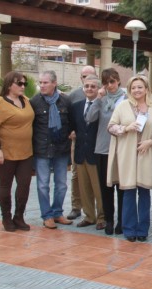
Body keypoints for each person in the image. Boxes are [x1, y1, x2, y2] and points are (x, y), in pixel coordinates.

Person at [107, 75, 152, 242]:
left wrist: (151, 141)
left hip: (146, 153)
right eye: (133, 88)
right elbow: (111, 127)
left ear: (146, 89)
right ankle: (129, 229)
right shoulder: (123, 106)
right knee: (129, 192)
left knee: (144, 192)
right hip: (127, 154)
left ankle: (143, 229)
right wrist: (126, 128)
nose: (137, 90)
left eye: (140, 87)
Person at [0, 71, 34, 232]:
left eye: (24, 84)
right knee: (5, 185)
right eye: (19, 83)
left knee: (24, 184)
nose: (23, 86)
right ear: (9, 85)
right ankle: (6, 217)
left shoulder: (26, 101)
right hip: (5, 152)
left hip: (25, 152)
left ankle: (19, 216)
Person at [30, 70, 74, 229]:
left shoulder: (65, 101)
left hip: (61, 149)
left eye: (45, 82)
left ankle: (57, 212)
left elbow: (71, 123)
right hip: (42, 149)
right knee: (43, 184)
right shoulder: (34, 102)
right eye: (40, 82)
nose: (42, 85)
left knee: (61, 183)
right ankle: (46, 215)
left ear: (54, 83)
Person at [85, 68, 125, 235]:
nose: (110, 85)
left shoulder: (127, 98)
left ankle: (122, 220)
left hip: (122, 149)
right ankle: (109, 219)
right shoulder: (101, 100)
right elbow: (89, 118)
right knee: (106, 188)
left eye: (112, 81)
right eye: (106, 82)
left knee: (122, 187)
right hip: (103, 149)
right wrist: (97, 98)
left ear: (118, 81)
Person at [70, 75, 105, 231]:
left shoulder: (102, 105)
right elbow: (72, 127)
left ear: (98, 89)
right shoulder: (76, 106)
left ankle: (102, 217)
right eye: (87, 86)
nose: (89, 89)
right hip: (80, 153)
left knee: (99, 189)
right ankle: (89, 216)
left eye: (93, 86)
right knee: (84, 188)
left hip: (96, 153)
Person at [66, 65, 97, 221]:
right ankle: (76, 206)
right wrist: (71, 131)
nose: (88, 82)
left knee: (96, 178)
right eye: (85, 77)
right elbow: (69, 118)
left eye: (91, 76)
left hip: (95, 145)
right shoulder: (74, 96)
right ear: (81, 79)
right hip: (78, 143)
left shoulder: (100, 96)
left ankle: (98, 212)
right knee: (77, 176)